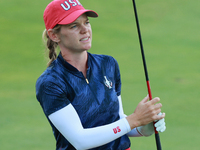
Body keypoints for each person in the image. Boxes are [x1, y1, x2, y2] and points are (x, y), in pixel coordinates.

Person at [36, 0, 166, 150]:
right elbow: (80, 140)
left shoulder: (108, 64)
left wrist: (143, 127)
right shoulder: (51, 83)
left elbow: (116, 120)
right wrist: (134, 120)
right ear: (54, 35)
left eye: (87, 22)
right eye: (74, 26)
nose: (85, 30)